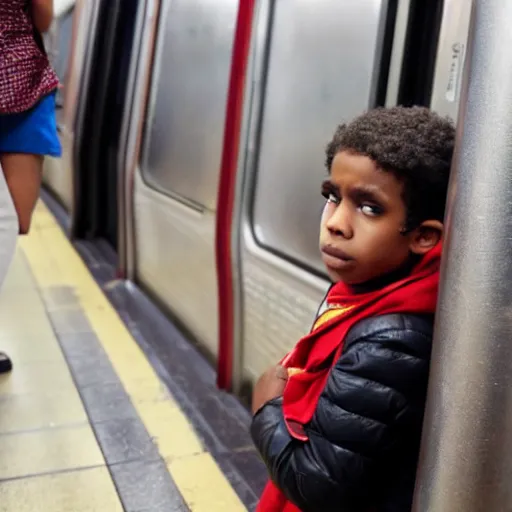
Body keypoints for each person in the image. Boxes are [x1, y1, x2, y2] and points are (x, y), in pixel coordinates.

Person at [250, 106, 455, 512]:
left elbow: (319, 485)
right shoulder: (366, 292)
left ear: (424, 236)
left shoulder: (393, 341)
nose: (335, 223)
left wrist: (266, 410)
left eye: (369, 207)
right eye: (332, 197)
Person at [0, 0, 61, 373]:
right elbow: (42, 13)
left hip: (23, 85)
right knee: (7, 221)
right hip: (22, 79)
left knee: (11, 221)